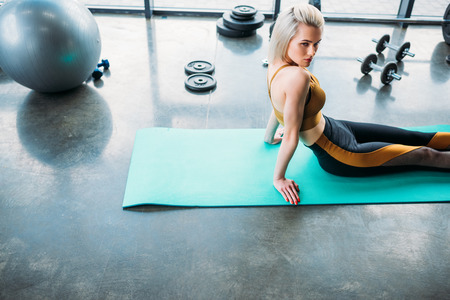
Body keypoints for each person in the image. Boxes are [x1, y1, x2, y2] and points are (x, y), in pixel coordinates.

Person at [264, 4, 450, 205]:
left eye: (317, 43)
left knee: (416, 137)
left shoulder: (275, 62)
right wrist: (279, 178)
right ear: (285, 38)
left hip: (338, 126)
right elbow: (290, 136)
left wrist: (268, 137)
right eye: (305, 43)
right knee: (425, 154)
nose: (312, 51)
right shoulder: (296, 77)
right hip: (341, 155)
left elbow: (276, 104)